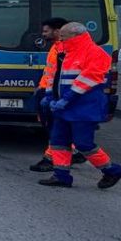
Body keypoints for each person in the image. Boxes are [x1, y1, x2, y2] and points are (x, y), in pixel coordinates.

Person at [39, 22, 121, 189]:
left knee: (83, 143)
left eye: (63, 36)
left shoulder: (94, 53)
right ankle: (61, 175)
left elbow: (88, 78)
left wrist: (67, 98)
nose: (61, 38)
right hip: (64, 107)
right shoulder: (64, 52)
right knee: (58, 141)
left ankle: (111, 170)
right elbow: (54, 76)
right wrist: (49, 95)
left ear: (75, 36)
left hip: (84, 108)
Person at [29, 17, 85, 172]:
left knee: (55, 129)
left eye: (46, 31)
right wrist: (41, 88)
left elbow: (63, 74)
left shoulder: (64, 49)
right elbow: (52, 72)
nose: (43, 35)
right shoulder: (56, 47)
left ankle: (51, 159)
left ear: (57, 30)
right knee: (54, 127)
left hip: (56, 94)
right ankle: (73, 152)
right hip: (48, 92)